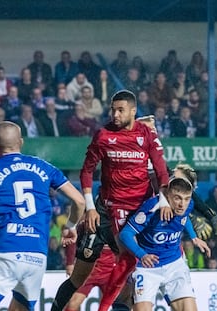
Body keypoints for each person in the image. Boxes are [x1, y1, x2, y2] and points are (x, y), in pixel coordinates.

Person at [0, 121, 85, 311]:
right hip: (36, 255)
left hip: (6, 251)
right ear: (21, 142)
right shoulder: (44, 167)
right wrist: (70, 226)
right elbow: (79, 201)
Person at [51, 90, 170, 311]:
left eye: (120, 110)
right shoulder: (104, 135)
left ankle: (107, 307)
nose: (115, 114)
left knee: (133, 268)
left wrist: (163, 200)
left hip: (137, 211)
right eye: (113, 110)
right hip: (104, 211)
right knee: (78, 277)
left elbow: (162, 171)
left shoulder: (147, 135)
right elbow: (86, 171)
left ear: (133, 111)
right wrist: (89, 207)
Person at [119, 177, 211, 311]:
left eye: (186, 198)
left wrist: (194, 237)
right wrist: (142, 254)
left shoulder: (188, 205)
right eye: (177, 198)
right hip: (147, 268)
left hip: (175, 265)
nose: (182, 204)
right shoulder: (152, 208)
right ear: (167, 195)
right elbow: (125, 234)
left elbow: (184, 219)